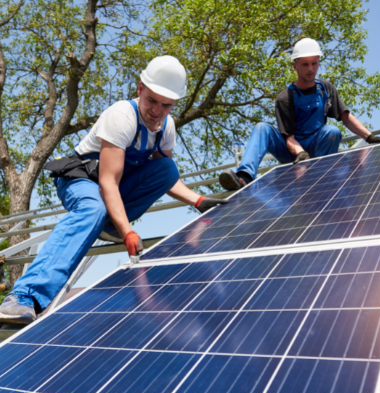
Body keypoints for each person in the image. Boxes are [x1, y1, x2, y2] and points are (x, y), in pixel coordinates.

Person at [0, 56, 228, 325]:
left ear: (174, 103)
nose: (157, 110)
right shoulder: (122, 116)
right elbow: (108, 181)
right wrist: (127, 231)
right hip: (82, 180)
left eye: (166, 105)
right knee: (92, 209)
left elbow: (162, 175)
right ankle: (24, 297)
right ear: (140, 89)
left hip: (115, 190)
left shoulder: (166, 127)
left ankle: (108, 223)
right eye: (152, 100)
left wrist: (198, 200)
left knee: (168, 168)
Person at [219, 38, 380, 191]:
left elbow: (345, 116)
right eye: (305, 64)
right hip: (291, 151)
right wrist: (300, 153)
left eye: (314, 63)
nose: (310, 69)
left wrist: (369, 137)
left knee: (332, 131)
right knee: (262, 128)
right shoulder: (285, 98)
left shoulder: (325, 89)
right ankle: (244, 178)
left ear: (319, 62)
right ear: (295, 65)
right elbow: (288, 137)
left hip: (317, 146)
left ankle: (322, 178)